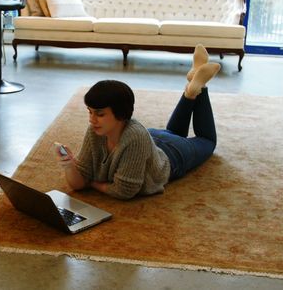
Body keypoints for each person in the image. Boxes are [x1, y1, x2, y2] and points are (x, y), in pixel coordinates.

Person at [55, 44, 220, 200]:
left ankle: (200, 87)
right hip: (151, 140)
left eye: (100, 114)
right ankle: (192, 87)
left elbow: (124, 191)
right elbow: (79, 183)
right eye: (90, 112)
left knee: (208, 141)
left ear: (120, 113)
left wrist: (92, 183)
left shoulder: (134, 138)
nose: (92, 120)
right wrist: (70, 165)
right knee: (175, 133)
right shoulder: (95, 130)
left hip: (172, 154)